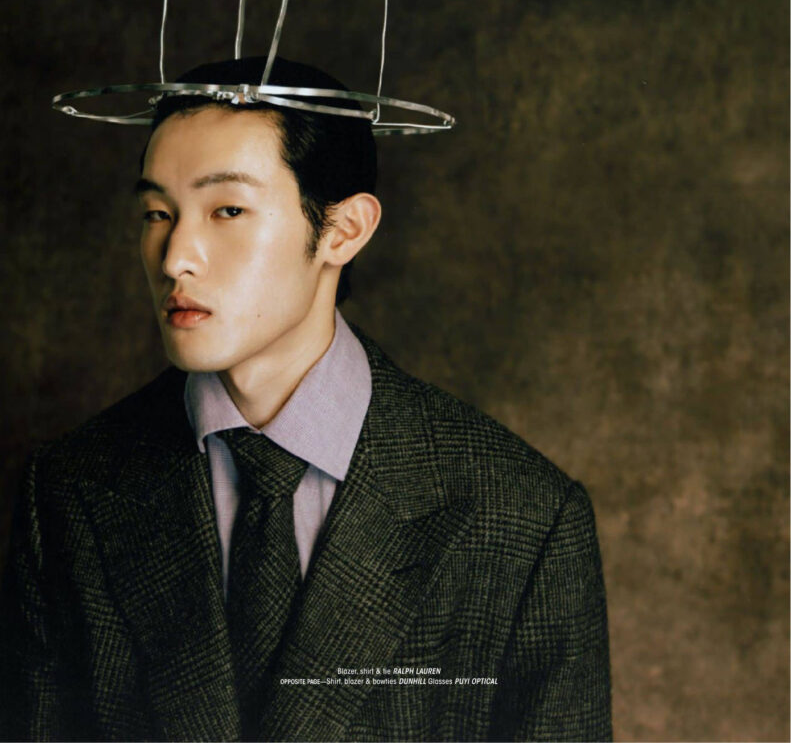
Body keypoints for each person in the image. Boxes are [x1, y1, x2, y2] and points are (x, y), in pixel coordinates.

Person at [0, 56, 612, 742]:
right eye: (156, 212)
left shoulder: (521, 513)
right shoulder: (69, 491)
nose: (175, 256)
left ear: (342, 230)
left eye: (227, 210)